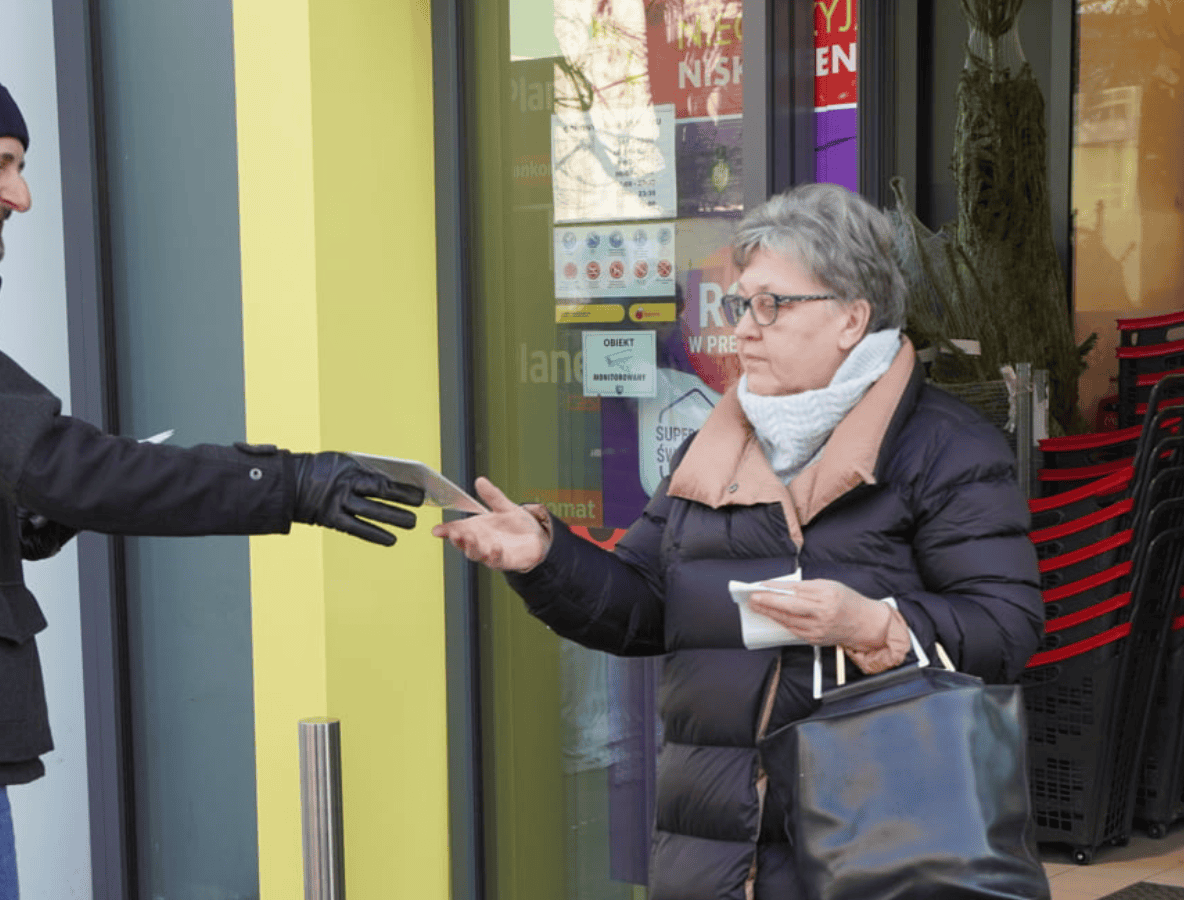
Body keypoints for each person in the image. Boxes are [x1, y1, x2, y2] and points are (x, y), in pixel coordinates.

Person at [0, 51, 423, 900]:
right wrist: (288, 484)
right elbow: (61, 463)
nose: (20, 193)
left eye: (21, 167)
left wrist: (18, 517)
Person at [434, 182, 1044, 899]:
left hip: (874, 845)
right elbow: (644, 606)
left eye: (771, 305)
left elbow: (1006, 627)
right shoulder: (713, 447)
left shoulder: (944, 447)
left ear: (852, 318)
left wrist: (873, 625)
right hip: (709, 845)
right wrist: (544, 556)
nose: (743, 329)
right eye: (739, 304)